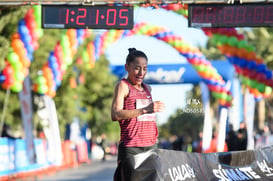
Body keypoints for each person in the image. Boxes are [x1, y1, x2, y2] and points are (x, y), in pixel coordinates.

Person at [111, 48, 165, 180]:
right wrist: (145, 110)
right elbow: (115, 114)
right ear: (127, 67)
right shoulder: (123, 86)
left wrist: (153, 110)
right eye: (137, 68)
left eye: (145, 68)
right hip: (131, 147)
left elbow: (146, 117)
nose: (141, 73)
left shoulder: (148, 88)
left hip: (151, 146)